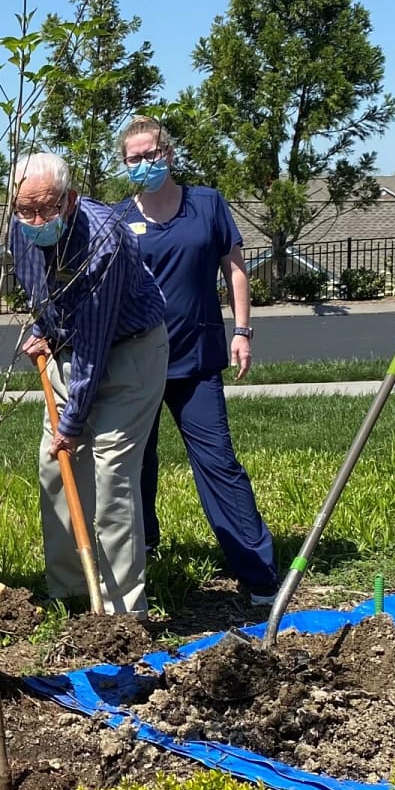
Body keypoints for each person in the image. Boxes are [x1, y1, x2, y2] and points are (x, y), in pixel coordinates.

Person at [114, 116, 277, 606]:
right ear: (124, 164)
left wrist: (242, 331)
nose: (145, 163)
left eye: (152, 153)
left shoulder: (206, 203)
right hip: (137, 364)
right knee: (135, 465)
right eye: (134, 157)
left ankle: (259, 571)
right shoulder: (118, 218)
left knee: (218, 463)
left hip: (197, 357)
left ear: (169, 153)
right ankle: (142, 549)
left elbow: (235, 269)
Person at [11, 151, 170, 616]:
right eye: (26, 209)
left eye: (47, 207)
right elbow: (39, 287)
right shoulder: (19, 226)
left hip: (129, 352)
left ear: (70, 200)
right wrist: (43, 328)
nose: (36, 219)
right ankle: (71, 592)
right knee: (54, 465)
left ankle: (122, 612)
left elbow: (95, 344)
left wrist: (74, 420)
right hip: (67, 349)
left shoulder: (105, 239)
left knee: (112, 474)